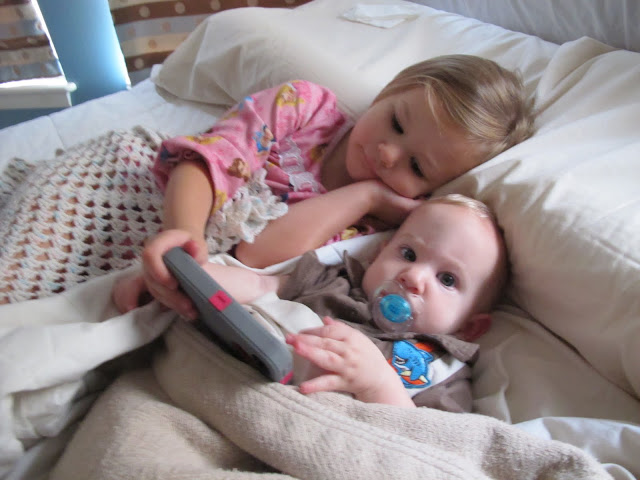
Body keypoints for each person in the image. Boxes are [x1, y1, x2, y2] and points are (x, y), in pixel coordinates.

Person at [115, 54, 532, 320]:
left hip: (202, 279)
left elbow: (257, 256)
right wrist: (183, 235)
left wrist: (365, 196)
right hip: (156, 208)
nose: (388, 153)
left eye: (418, 166)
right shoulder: (303, 108)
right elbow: (207, 160)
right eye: (396, 123)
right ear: (388, 93)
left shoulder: (379, 238)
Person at [115, 194, 509, 411]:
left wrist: (378, 384)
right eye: (408, 254)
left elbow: (428, 448)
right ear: (380, 252)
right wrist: (179, 278)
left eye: (447, 279)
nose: (414, 277)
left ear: (468, 327)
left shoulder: (441, 369)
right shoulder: (332, 280)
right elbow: (257, 283)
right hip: (228, 392)